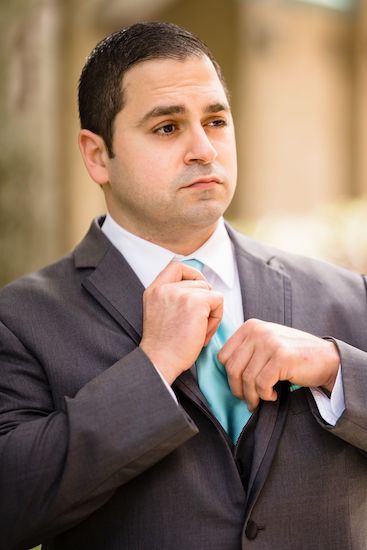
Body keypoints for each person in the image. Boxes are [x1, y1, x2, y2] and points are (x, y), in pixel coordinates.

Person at [0, 21, 366, 550]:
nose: (203, 149)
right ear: (97, 155)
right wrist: (151, 368)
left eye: (216, 121)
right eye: (167, 128)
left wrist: (338, 372)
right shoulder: (20, 321)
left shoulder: (344, 295)